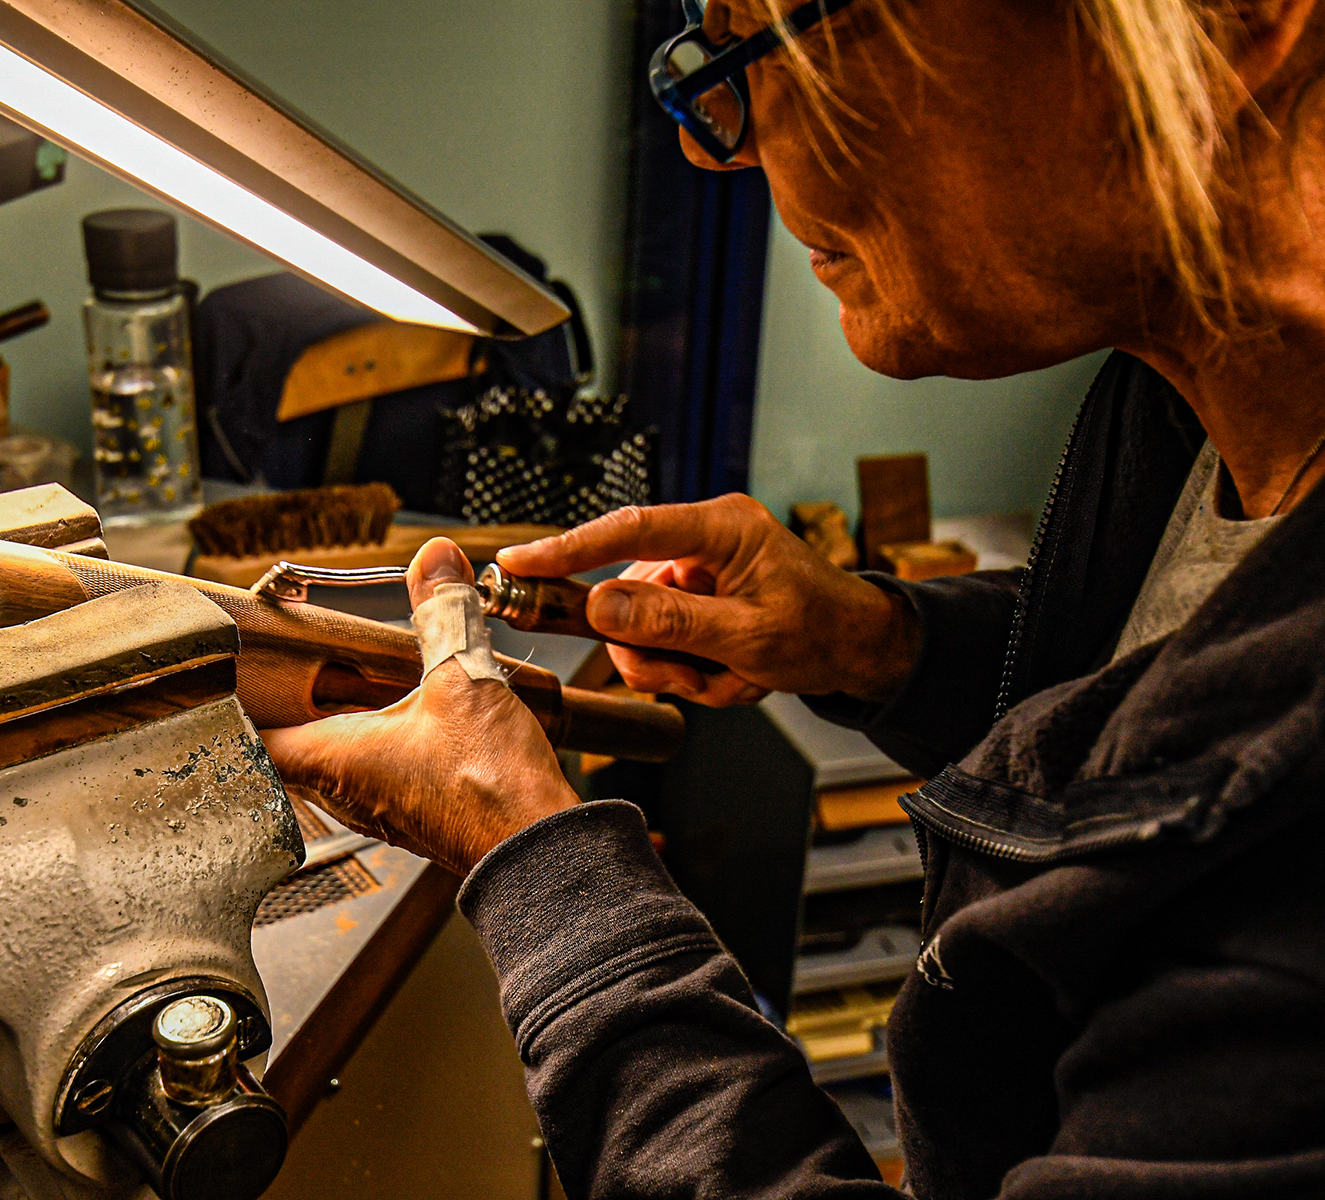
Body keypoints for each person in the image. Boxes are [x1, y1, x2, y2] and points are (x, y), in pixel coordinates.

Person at [263, 0, 1325, 1193]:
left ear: (1236, 19)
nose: (721, 135)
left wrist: (534, 862)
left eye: (762, 41)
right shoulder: (1194, 396)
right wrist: (877, 641)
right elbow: (1150, 695)